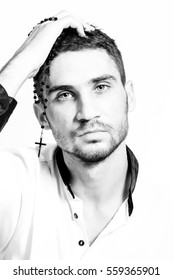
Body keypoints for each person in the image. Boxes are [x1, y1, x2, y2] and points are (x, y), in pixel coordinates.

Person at [0, 10, 158, 260]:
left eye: (101, 87)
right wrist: (24, 62)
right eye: (65, 95)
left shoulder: (164, 202)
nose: (87, 112)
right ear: (43, 116)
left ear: (129, 96)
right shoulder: (14, 183)